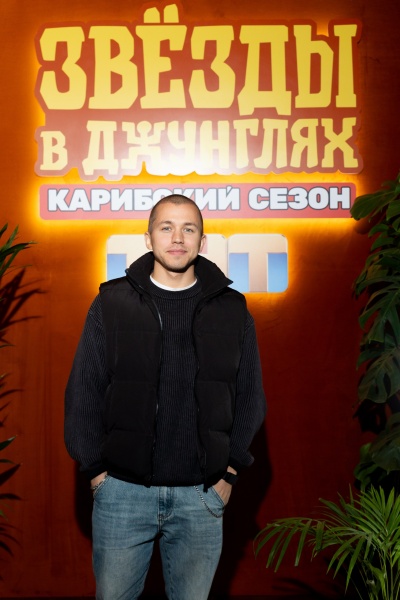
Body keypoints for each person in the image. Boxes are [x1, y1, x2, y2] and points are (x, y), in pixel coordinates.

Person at [65, 194, 266, 600]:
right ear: (148, 238)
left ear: (202, 241)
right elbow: (84, 390)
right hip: (123, 494)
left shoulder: (232, 310)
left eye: (188, 229)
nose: (177, 238)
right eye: (166, 227)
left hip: (201, 497)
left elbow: (249, 397)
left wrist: (229, 472)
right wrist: (97, 473)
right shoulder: (111, 303)